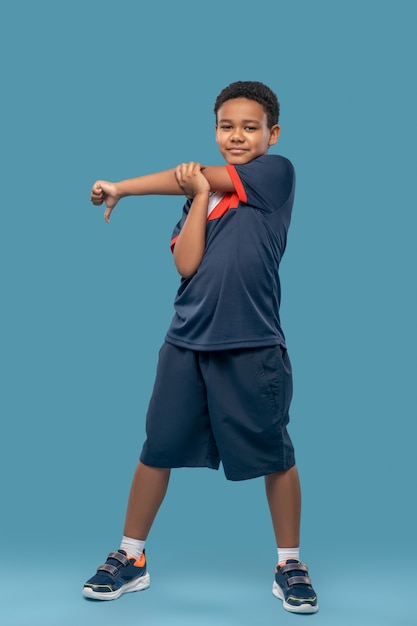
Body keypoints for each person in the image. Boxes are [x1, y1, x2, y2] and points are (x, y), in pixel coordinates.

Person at [83, 81, 318, 614]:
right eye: (226, 126)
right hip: (185, 341)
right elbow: (186, 264)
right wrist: (195, 199)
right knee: (156, 446)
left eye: (249, 127)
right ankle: (131, 556)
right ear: (214, 130)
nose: (237, 136)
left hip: (253, 341)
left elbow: (187, 176)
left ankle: (290, 563)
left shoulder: (274, 174)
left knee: (274, 452)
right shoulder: (206, 196)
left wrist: (122, 186)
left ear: (271, 134)